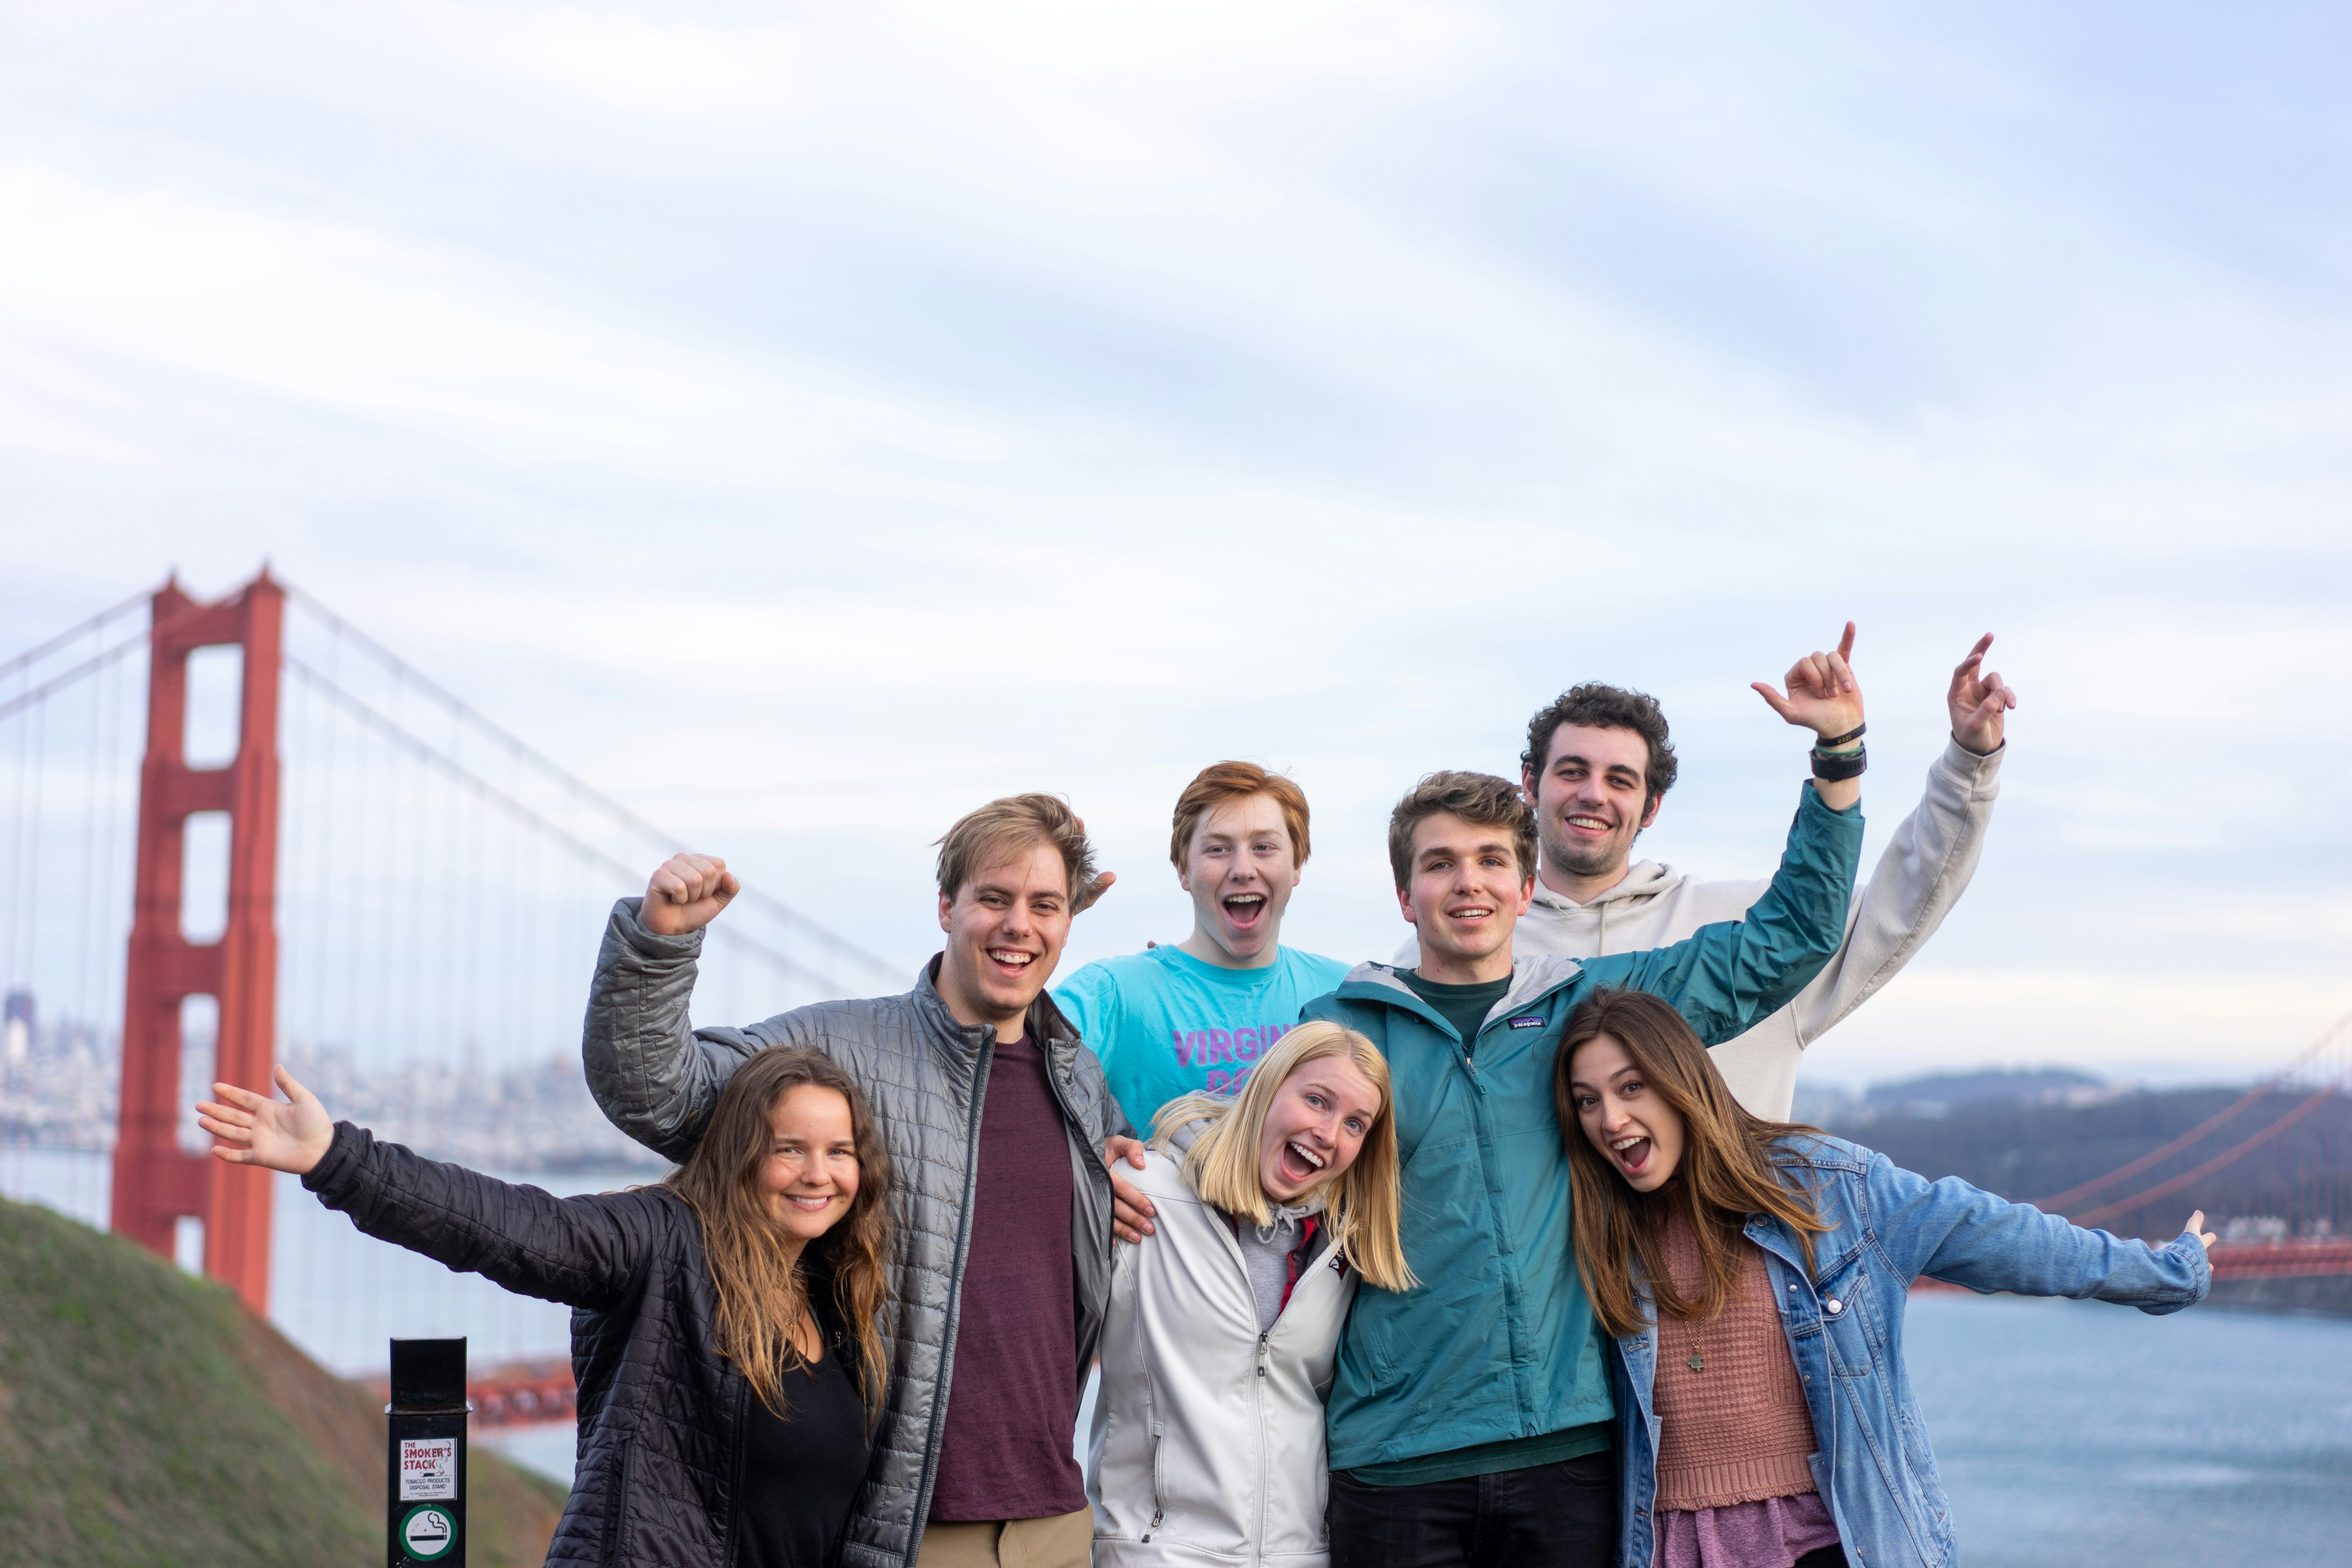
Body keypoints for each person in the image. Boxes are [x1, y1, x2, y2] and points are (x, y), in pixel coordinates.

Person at [1308, 642, 1871, 1568]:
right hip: (1394, 1456)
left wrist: (1838, 755)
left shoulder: (1584, 1007)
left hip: (1573, 1451)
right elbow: (1249, 1154)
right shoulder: (1342, 1027)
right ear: (1404, 893)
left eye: (1493, 861)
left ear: (1527, 887)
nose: (1469, 883)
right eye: (1441, 864)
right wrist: (1143, 1160)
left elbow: (1789, 940)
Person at [582, 794, 1147, 1568]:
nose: (1021, 924)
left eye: (1045, 904)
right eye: (994, 898)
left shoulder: (1079, 1079)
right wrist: (658, 946)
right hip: (907, 1533)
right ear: (946, 906)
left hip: (1058, 1522)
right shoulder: (838, 1050)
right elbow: (658, 1093)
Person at [1555, 988, 2212, 1568]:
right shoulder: (1598, 1229)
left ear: (1682, 1082)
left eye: (1631, 1087)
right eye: (1588, 1102)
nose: (1610, 1120)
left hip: (1830, 1542)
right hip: (1673, 1548)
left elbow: (2007, 1238)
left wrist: (2167, 1271)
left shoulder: (1831, 1192)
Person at [197, 1047, 894, 1568]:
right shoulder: (663, 1242)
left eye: (839, 1152)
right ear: (740, 1156)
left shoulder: (833, 1297)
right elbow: (511, 1227)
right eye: (789, 1149)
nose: (818, 1174)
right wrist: (338, 1160)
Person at [1398, 626, 2016, 1119]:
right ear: (1530, 783)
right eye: (1572, 771)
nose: (1593, 794)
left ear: (1652, 806)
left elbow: (1908, 898)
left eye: (1620, 780)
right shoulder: (1453, 949)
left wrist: (1968, 764)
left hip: (1722, 1274)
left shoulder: (1751, 930)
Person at [1088, 1020, 1411, 1567]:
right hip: (1158, 1552)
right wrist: (1077, 1175)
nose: (1329, 1134)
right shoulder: (1140, 1195)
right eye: (1316, 1100)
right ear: (1267, 1086)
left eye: (1356, 1124)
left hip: (1301, 1555)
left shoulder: (1343, 1247)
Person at [1056, 761, 1353, 1131]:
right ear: (1183, 869)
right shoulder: (1113, 993)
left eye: (1264, 847)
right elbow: (998, 1070)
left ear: (1297, 865)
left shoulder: (1348, 995)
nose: (1243, 869)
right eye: (1217, 850)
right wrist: (1045, 915)